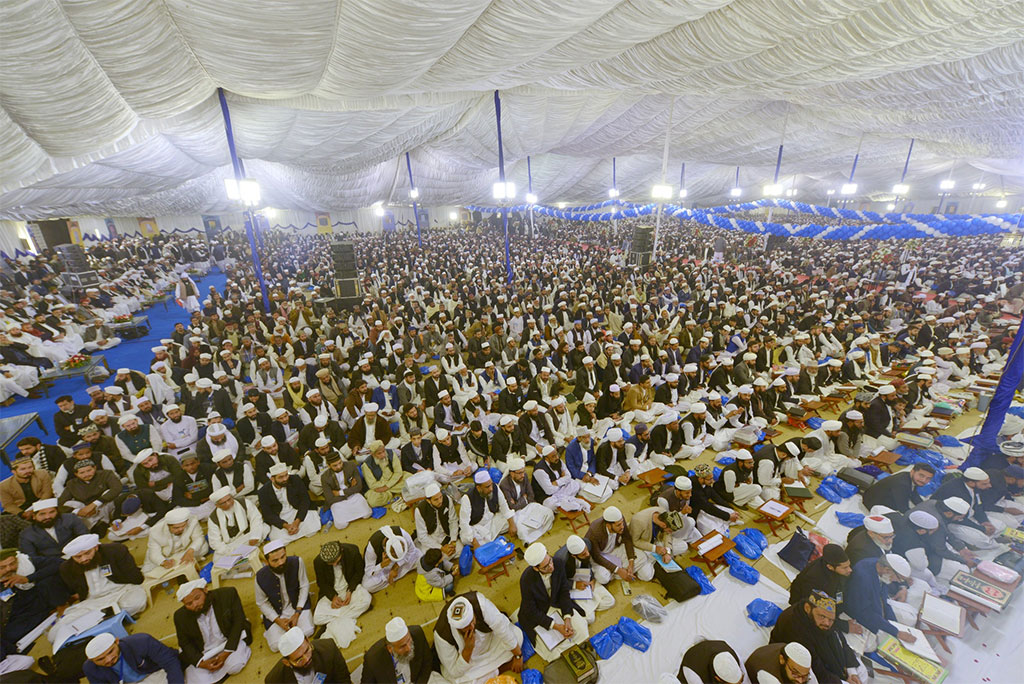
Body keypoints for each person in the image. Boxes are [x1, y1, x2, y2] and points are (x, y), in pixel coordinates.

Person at [54, 534, 147, 647]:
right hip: (93, 602)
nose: (84, 559)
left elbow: (136, 578)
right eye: (78, 557)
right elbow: (77, 590)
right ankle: (112, 618)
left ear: (96, 547)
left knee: (137, 602)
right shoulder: (66, 568)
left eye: (87, 553)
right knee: (56, 631)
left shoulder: (115, 551)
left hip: (122, 591)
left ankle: (94, 623)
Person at [770, 591, 865, 684]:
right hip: (798, 664)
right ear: (807, 608)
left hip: (820, 659)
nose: (827, 623)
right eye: (822, 616)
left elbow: (838, 638)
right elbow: (815, 667)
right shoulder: (796, 628)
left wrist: (851, 672)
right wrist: (842, 681)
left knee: (861, 672)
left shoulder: (820, 620)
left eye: (831, 620)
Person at [433, 592, 524, 684]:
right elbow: (454, 671)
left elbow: (501, 627)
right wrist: (467, 650)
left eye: (472, 620)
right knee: (455, 680)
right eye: (467, 626)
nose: (472, 627)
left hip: (490, 641)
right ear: (457, 628)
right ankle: (502, 668)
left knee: (517, 637)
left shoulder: (480, 603)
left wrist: (518, 656)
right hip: (469, 660)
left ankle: (491, 672)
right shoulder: (442, 635)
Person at [519, 542, 589, 660]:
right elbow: (531, 610)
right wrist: (555, 626)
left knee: (582, 631)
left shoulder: (558, 563)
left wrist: (567, 618)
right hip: (539, 610)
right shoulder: (526, 580)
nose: (551, 566)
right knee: (554, 654)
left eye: (550, 561)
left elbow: (563, 591)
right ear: (536, 568)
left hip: (556, 602)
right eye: (546, 566)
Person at [173, 579, 252, 684]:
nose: (195, 604)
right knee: (197, 681)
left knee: (235, 666)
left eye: (197, 598)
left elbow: (238, 623)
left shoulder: (227, 594)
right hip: (204, 653)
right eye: (189, 603)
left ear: (205, 589)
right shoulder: (180, 616)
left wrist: (226, 653)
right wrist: (201, 663)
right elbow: (184, 643)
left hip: (227, 643)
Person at [843, 554, 917, 655]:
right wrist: (896, 632)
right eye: (899, 579)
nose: (897, 582)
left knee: (907, 620)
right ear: (887, 570)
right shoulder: (862, 578)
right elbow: (864, 613)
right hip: (856, 614)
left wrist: (894, 625)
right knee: (873, 645)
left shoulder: (881, 570)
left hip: (873, 607)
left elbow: (884, 599)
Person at [0, 547, 66, 660]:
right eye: (3, 567)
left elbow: (59, 562)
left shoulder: (27, 562)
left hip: (37, 606)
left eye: (12, 564)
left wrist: (28, 578)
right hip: (13, 615)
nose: (9, 569)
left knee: (12, 636)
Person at [254, 540, 314, 653]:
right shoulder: (260, 577)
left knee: (309, 630)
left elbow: (304, 586)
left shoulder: (297, 562)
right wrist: (277, 620)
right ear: (267, 562)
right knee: (275, 646)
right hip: (277, 614)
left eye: (283, 557)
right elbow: (261, 603)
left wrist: (297, 613)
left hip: (297, 607)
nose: (281, 562)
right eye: (275, 560)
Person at [312, 541, 372, 649]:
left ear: (341, 552)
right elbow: (321, 583)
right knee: (317, 618)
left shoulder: (352, 551)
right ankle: (348, 614)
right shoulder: (318, 562)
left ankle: (333, 621)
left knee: (366, 600)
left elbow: (359, 572)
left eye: (336, 561)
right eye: (331, 563)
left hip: (350, 588)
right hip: (333, 592)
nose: (334, 564)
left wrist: (350, 590)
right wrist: (333, 597)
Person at [788, 545, 855, 634]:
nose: (850, 570)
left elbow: (839, 591)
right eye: (845, 568)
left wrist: (841, 609)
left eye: (849, 565)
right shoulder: (814, 580)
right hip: (805, 606)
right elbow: (816, 611)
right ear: (830, 567)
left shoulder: (836, 569)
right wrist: (844, 626)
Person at [552, 534, 615, 624]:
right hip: (571, 584)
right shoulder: (560, 560)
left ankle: (589, 608)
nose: (588, 554)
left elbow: (588, 564)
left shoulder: (586, 543)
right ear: (574, 556)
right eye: (583, 554)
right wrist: (574, 584)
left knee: (610, 601)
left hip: (585, 578)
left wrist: (592, 579)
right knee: (590, 619)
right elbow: (558, 582)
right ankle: (589, 608)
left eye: (586, 550)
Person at [207, 486, 266, 580]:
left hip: (247, 537)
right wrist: (230, 552)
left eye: (229, 499)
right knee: (217, 560)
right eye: (224, 503)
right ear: (217, 505)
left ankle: (240, 567)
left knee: (264, 528)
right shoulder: (213, 518)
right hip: (230, 545)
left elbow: (256, 519)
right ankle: (242, 569)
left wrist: (254, 536)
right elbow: (214, 542)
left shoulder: (244, 503)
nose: (229, 503)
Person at [584, 505, 653, 585]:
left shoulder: (620, 520)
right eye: (618, 525)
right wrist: (618, 570)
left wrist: (631, 562)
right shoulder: (594, 532)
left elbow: (627, 539)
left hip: (615, 549)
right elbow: (597, 556)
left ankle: (618, 573)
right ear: (608, 526)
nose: (622, 527)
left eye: (622, 523)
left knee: (642, 557)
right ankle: (620, 572)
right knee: (603, 578)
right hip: (600, 555)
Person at [83, 632, 184, 684]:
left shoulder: (142, 641)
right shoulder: (89, 668)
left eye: (111, 652)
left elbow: (170, 663)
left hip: (157, 673)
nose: (109, 659)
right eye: (100, 659)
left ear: (117, 642)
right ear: (91, 660)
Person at [265, 626, 352, 684]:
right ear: (287, 662)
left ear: (308, 640)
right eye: (299, 659)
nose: (306, 659)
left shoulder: (329, 649)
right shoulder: (274, 680)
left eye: (307, 650)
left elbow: (344, 680)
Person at [257, 463, 321, 543]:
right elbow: (268, 514)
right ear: (272, 479)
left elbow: (305, 500)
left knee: (313, 527)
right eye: (281, 477)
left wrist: (297, 522)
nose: (285, 479)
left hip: (297, 510)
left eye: (286, 475)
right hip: (280, 516)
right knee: (277, 539)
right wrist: (286, 526)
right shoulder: (263, 492)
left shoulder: (295, 479)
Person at [360, 616, 433, 684]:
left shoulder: (417, 633)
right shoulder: (372, 659)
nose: (408, 648)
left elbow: (427, 663)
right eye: (402, 646)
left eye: (409, 640)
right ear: (390, 648)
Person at [498, 457, 555, 544]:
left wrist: (520, 501)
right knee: (522, 531)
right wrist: (524, 498)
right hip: (516, 513)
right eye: (520, 473)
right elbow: (511, 506)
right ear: (512, 474)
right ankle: (532, 536)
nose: (523, 475)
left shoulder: (524, 477)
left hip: (529, 505)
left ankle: (538, 531)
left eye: (523, 472)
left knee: (549, 513)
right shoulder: (504, 485)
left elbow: (531, 495)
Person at [142, 507, 206, 581]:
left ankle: (182, 565)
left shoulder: (192, 521)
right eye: (176, 528)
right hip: (165, 554)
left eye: (183, 526)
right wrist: (163, 562)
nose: (180, 529)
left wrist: (190, 551)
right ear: (168, 525)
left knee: (203, 547)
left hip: (184, 549)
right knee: (148, 571)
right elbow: (154, 553)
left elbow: (199, 538)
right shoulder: (155, 531)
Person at [459, 470, 516, 548]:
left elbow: (504, 506)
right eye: (487, 487)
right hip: (478, 527)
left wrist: (512, 524)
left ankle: (490, 540)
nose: (491, 489)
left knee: (513, 519)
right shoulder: (467, 498)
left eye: (491, 485)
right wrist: (475, 543)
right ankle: (493, 539)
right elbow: (464, 523)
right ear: (478, 488)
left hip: (493, 521)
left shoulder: (495, 487)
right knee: (465, 537)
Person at [18, 497, 89, 558]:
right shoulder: (26, 534)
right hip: (52, 564)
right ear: (34, 516)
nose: (47, 517)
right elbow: (32, 558)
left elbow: (85, 537)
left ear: (57, 512)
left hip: (79, 555)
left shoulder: (70, 518)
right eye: (42, 514)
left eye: (52, 512)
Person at [320, 450, 372, 530]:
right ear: (329, 466)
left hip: (352, 496)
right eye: (335, 465)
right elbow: (330, 499)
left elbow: (359, 487)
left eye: (340, 463)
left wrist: (340, 492)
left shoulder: (351, 465)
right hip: (338, 501)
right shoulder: (324, 477)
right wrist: (350, 490)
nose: (339, 467)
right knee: (341, 525)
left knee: (367, 514)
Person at [363, 525, 421, 593]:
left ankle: (392, 575)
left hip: (401, 561)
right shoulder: (372, 547)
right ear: (385, 549)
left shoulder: (403, 534)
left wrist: (395, 567)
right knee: (366, 586)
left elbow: (411, 551)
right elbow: (368, 570)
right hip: (382, 566)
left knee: (421, 559)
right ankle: (390, 575)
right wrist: (382, 565)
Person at [862, 463, 934, 513]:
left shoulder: (909, 476)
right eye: (921, 475)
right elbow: (903, 509)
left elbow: (914, 494)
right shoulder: (902, 484)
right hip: (873, 503)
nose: (924, 480)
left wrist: (925, 507)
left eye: (928, 478)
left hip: (878, 496)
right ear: (912, 471)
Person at [744, 642, 816, 684]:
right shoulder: (768, 676)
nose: (800, 681)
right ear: (782, 660)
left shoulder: (801, 668)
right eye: (795, 673)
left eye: (804, 676)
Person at [678, 639, 744, 684]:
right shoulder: (693, 675)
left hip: (713, 647)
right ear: (718, 679)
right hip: (693, 660)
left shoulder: (734, 655)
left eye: (740, 681)